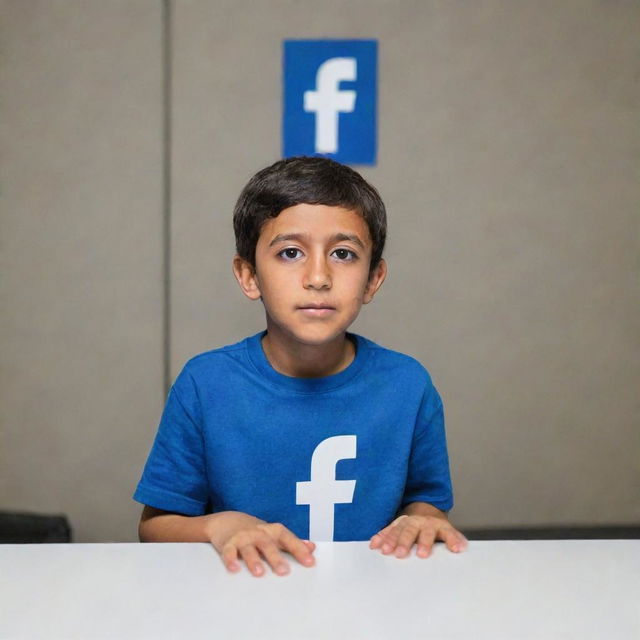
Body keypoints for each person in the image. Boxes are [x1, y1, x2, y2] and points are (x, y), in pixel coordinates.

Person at [134, 156, 467, 577]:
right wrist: (219, 525)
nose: (318, 277)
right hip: (242, 603)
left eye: (343, 254)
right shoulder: (205, 384)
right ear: (249, 275)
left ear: (373, 279)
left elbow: (427, 503)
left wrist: (425, 521)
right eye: (290, 253)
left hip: (371, 607)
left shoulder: (408, 385)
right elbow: (155, 527)